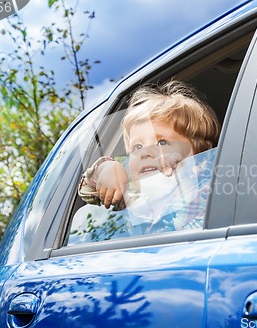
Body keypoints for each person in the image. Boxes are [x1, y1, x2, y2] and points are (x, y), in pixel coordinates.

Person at [74, 80, 220, 240]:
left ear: (200, 161)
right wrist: (107, 168)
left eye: (162, 142)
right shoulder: (135, 203)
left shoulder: (210, 199)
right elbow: (88, 191)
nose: (145, 153)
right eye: (137, 147)